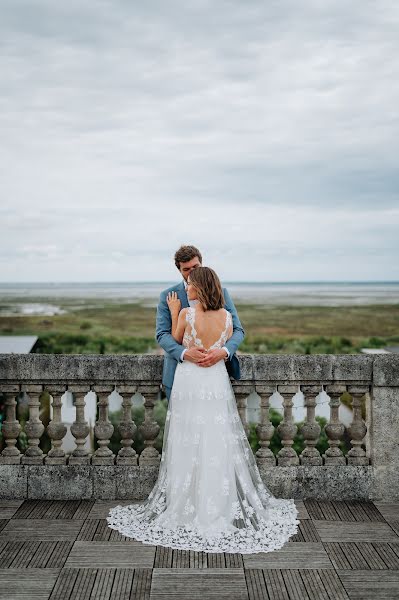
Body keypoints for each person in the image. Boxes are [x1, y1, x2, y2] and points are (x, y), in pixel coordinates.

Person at [107, 266, 299, 554]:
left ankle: (188, 505)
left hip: (191, 379)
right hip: (216, 379)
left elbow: (173, 335)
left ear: (200, 285)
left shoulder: (186, 313)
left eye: (191, 282)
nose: (186, 286)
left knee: (187, 437)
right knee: (216, 436)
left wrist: (175, 312)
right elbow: (229, 334)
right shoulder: (226, 318)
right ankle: (216, 505)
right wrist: (217, 350)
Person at [154, 244, 245, 402]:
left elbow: (238, 330)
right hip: (178, 373)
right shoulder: (168, 296)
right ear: (180, 271)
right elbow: (162, 334)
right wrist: (184, 353)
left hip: (214, 373)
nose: (192, 272)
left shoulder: (221, 293)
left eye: (195, 266)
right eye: (186, 269)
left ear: (201, 264)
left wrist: (224, 351)